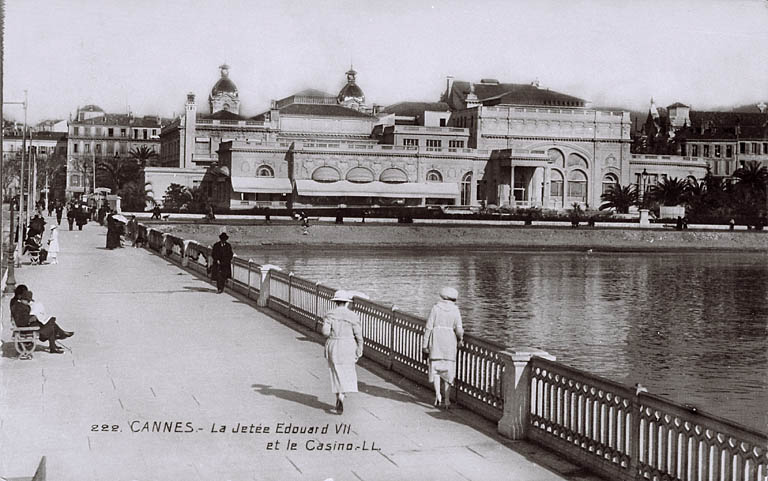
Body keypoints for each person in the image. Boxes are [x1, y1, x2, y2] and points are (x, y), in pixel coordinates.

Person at [321, 290, 364, 414]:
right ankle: (342, 396)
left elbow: (325, 332)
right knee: (347, 372)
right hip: (348, 345)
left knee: (335, 372)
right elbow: (358, 335)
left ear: (336, 302)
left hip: (334, 345)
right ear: (346, 303)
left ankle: (338, 396)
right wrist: (360, 347)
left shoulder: (330, 315)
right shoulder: (353, 316)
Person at [422, 287, 464, 409]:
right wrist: (460, 338)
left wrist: (424, 345)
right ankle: (447, 400)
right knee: (448, 371)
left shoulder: (435, 308)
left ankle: (437, 395)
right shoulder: (455, 310)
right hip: (449, 342)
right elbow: (459, 329)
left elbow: (428, 327)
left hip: (436, 341)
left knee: (436, 369)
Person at [10, 287, 74, 354]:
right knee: (50, 324)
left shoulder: (20, 305)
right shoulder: (19, 307)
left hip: (29, 325)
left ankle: (55, 344)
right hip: (26, 329)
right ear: (22, 299)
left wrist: (33, 317)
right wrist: (31, 318)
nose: (28, 302)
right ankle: (57, 340)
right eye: (28, 301)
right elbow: (20, 321)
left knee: (50, 322)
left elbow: (23, 317)